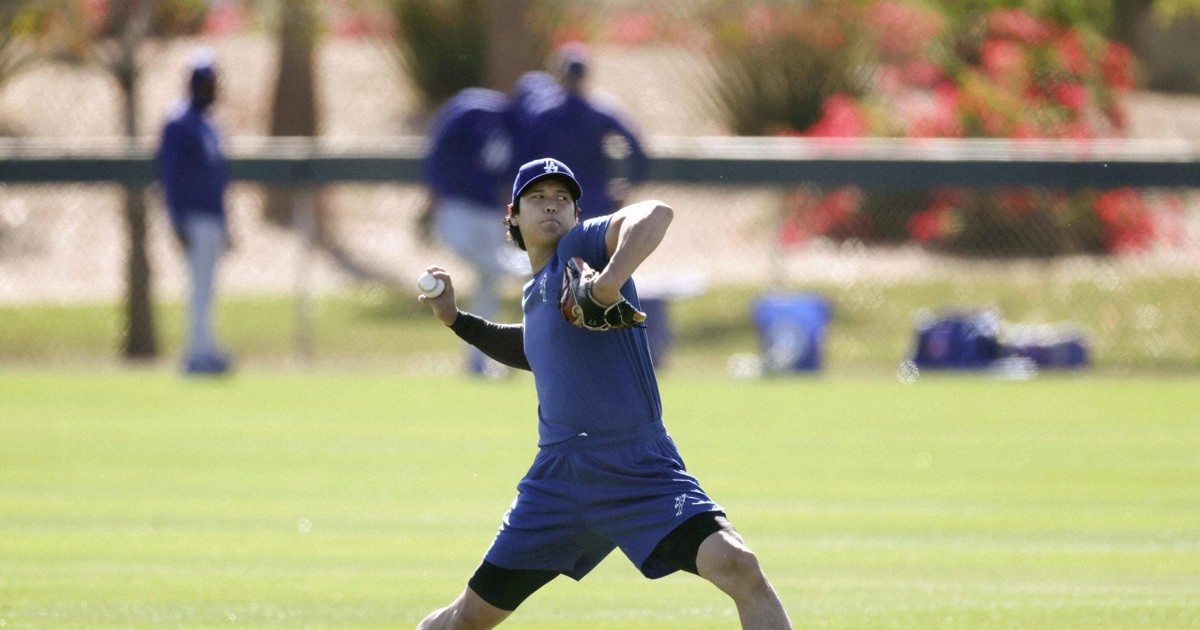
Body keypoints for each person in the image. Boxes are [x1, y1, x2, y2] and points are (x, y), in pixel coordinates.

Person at [415, 158, 792, 629]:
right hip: (558, 482)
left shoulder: (581, 250)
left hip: (640, 469)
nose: (552, 206)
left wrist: (610, 281)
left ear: (577, 214)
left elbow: (655, 213)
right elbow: (535, 347)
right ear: (512, 214)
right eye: (538, 198)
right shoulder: (537, 294)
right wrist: (456, 319)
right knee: (464, 620)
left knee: (739, 566)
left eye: (562, 199)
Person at [419, 72, 560, 377]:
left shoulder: (530, 133)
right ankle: (515, 267)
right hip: (456, 205)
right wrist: (431, 198)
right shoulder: (474, 109)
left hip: (488, 212)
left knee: (487, 284)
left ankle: (478, 361)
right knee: (490, 265)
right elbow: (437, 152)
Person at [155, 49, 232, 375]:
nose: (214, 88)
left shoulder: (211, 124)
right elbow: (169, 175)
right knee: (198, 286)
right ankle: (195, 354)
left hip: (212, 216)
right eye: (209, 82)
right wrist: (176, 218)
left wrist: (227, 222)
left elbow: (219, 177)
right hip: (193, 216)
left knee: (210, 287)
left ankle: (206, 348)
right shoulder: (178, 122)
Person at [524, 42, 650, 221]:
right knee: (592, 249)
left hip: (553, 206)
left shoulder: (543, 113)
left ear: (560, 74)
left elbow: (525, 156)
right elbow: (637, 148)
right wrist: (626, 188)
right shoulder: (601, 111)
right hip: (595, 203)